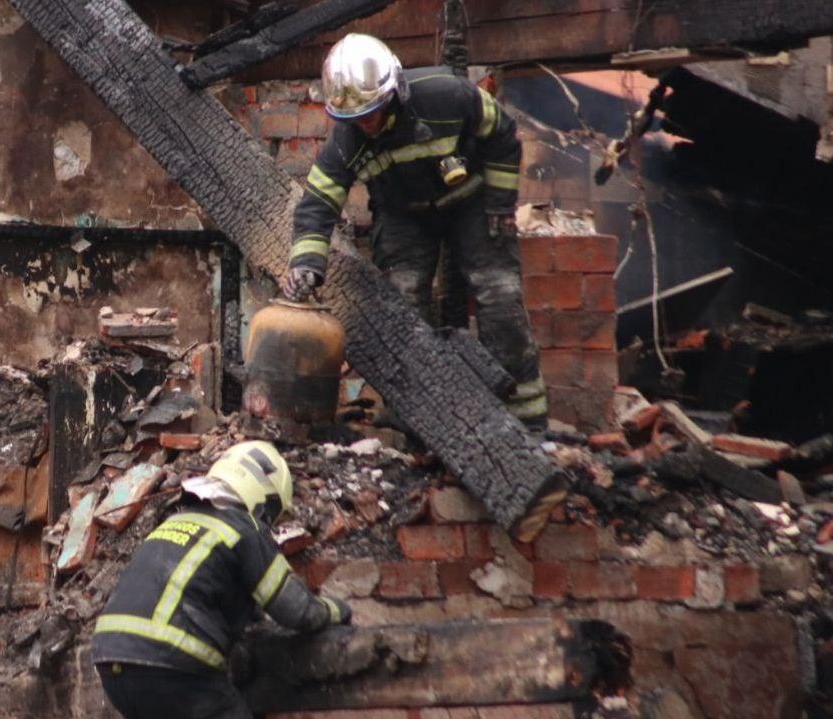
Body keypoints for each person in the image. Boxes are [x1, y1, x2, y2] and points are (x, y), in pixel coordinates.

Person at [281, 33, 547, 429]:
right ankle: (421, 422)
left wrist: (499, 206)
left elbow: (504, 135)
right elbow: (317, 205)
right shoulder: (345, 143)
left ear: (395, 91)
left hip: (473, 204)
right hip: (404, 216)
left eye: (372, 112)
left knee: (501, 297)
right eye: (355, 119)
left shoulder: (448, 97)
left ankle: (527, 426)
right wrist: (305, 264)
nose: (367, 125)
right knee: (403, 307)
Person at [91, 441, 351, 719]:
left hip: (111, 661)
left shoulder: (174, 524)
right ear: (263, 498)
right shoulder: (244, 528)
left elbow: (199, 594)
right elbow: (298, 611)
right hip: (173, 666)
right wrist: (338, 610)